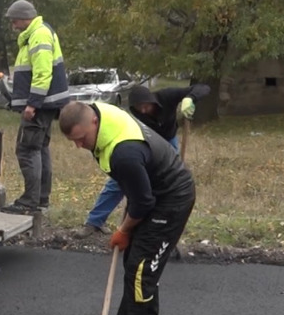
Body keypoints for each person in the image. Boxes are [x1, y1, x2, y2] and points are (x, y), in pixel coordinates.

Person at [58, 101, 196, 315]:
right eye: (73, 141)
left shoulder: (125, 153)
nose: (78, 146)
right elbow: (138, 192)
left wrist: (123, 230)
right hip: (150, 192)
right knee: (139, 265)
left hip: (171, 199)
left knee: (141, 269)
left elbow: (143, 203)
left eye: (81, 138)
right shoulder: (100, 116)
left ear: (94, 122)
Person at [77, 83, 211, 237]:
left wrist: (190, 98)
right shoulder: (135, 115)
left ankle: (167, 224)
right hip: (144, 145)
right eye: (138, 107)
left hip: (168, 144)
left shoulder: (167, 96)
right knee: (119, 182)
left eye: (145, 106)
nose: (143, 110)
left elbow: (203, 87)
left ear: (152, 100)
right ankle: (94, 222)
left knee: (169, 183)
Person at [0, 0, 69, 214]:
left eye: (14, 21)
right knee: (40, 149)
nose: (13, 26)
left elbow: (42, 73)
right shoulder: (38, 33)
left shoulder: (39, 35)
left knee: (27, 150)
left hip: (40, 106)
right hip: (45, 105)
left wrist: (32, 104)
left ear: (24, 18)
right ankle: (40, 200)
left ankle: (29, 202)